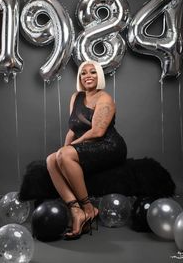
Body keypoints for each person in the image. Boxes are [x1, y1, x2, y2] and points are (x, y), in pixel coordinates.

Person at [46, 60, 127, 240]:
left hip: (109, 145)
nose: (88, 76)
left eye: (93, 72)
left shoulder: (104, 98)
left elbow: (97, 132)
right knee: (51, 159)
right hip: (87, 144)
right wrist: (64, 149)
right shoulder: (76, 97)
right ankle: (76, 211)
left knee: (65, 154)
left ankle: (88, 208)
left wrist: (71, 148)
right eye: (83, 73)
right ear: (80, 77)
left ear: (99, 76)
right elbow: (72, 129)